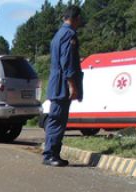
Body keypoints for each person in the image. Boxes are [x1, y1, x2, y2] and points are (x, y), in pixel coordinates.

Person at [43, 5, 83, 167]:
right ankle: (50, 155)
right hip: (62, 85)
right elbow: (67, 62)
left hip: (57, 82)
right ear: (76, 18)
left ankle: (53, 153)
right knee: (57, 119)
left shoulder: (59, 34)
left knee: (57, 119)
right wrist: (72, 85)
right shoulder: (69, 35)